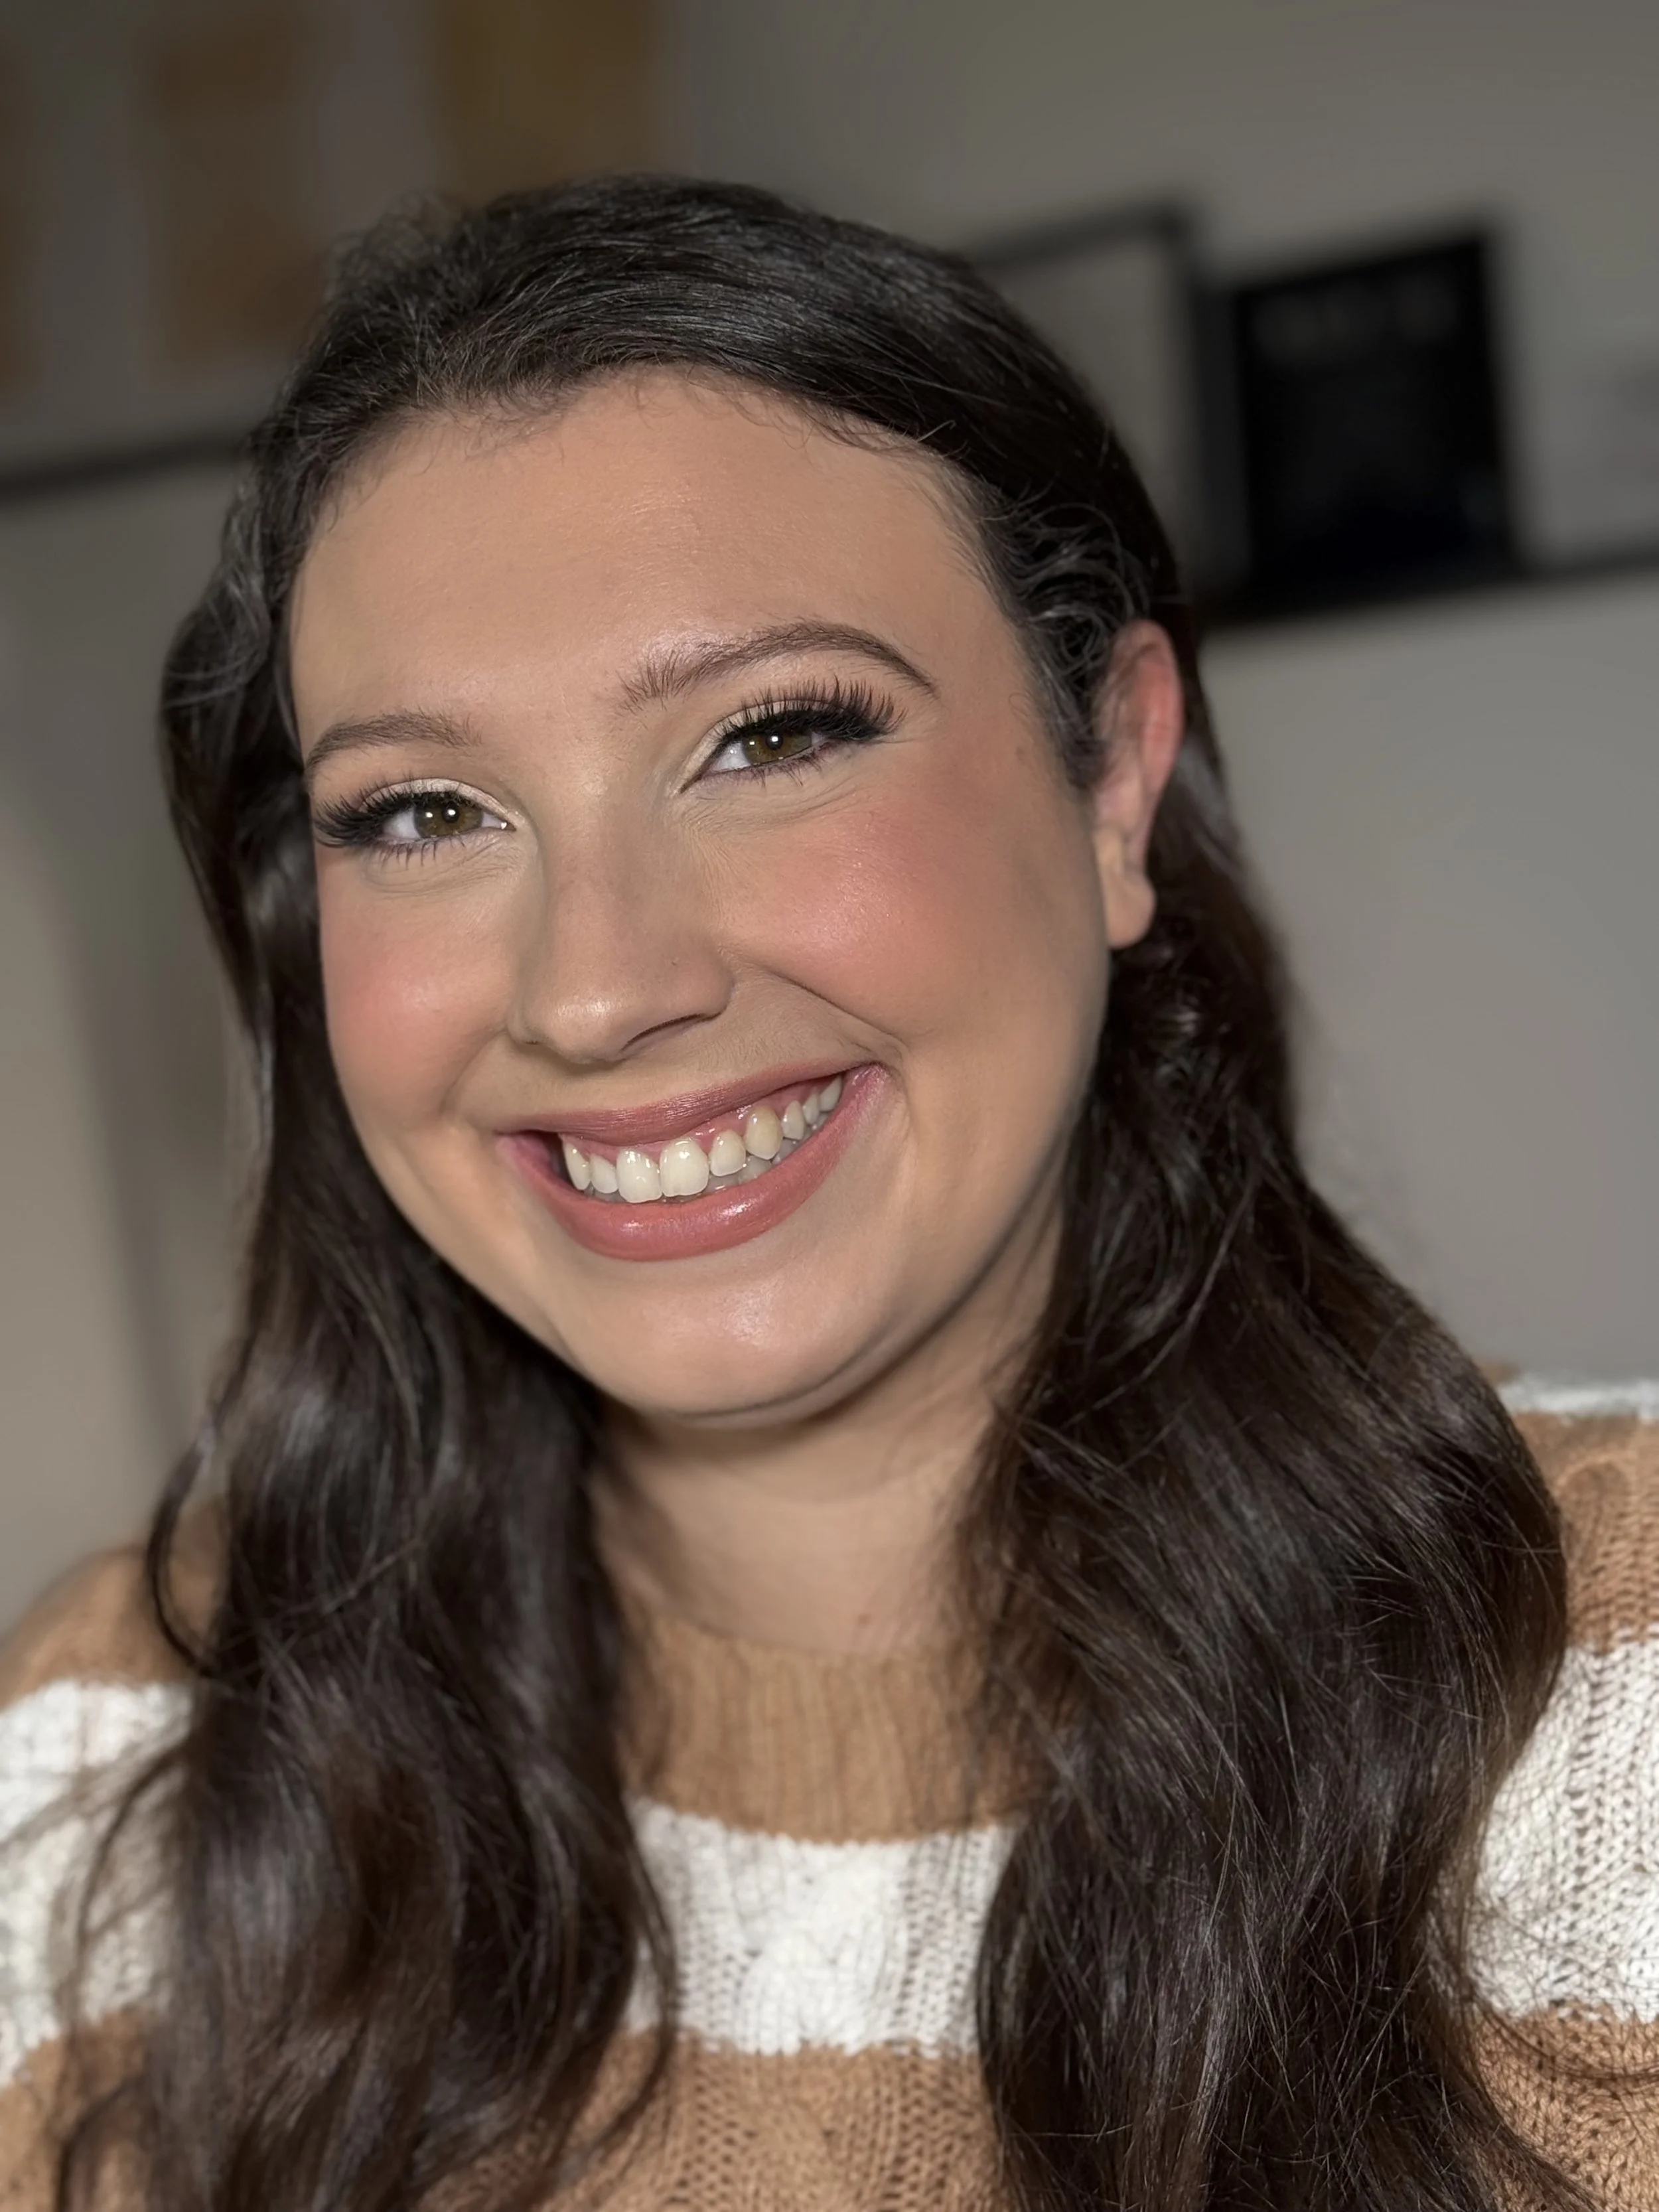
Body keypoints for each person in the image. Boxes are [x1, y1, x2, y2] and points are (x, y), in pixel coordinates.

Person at [1, 175, 1655, 2212]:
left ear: (1113, 773)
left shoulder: (1619, 1691)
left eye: (771, 735)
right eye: (422, 810)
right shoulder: (111, 1751)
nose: (596, 985)